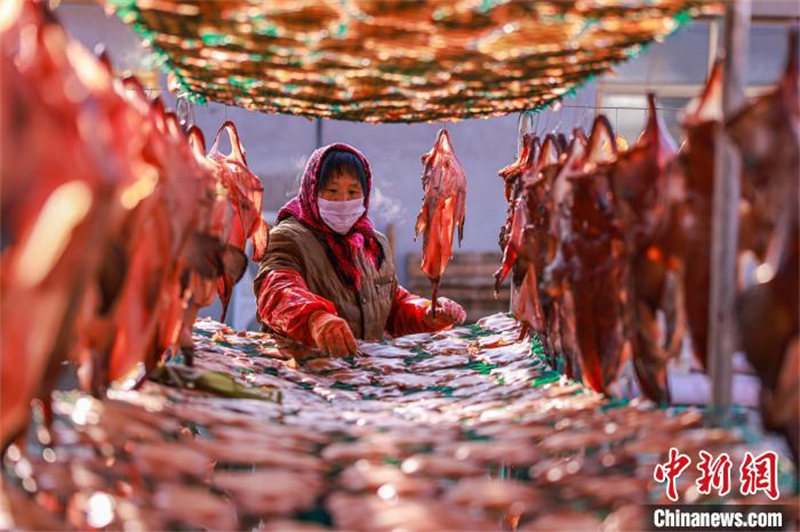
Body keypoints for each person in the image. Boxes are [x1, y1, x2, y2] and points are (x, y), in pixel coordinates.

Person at [253, 143, 466, 357]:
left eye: (353, 191)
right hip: (301, 372)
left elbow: (392, 304)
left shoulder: (373, 244)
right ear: (312, 191)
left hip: (358, 376)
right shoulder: (287, 237)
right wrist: (315, 318)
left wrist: (427, 313)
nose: (343, 201)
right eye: (332, 191)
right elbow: (276, 290)